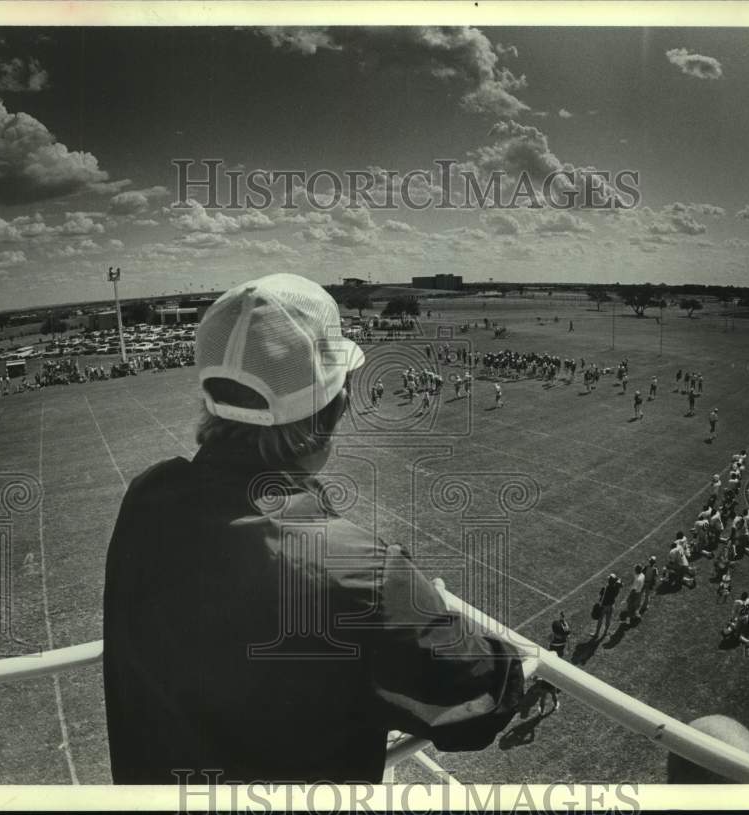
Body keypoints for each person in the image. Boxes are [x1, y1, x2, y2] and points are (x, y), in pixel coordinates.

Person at [103, 273, 527, 784]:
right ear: (337, 404)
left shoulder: (148, 495)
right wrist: (416, 608)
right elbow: (481, 701)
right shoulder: (362, 572)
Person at [593, 574, 623, 639]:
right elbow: (620, 583)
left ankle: (596, 634)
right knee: (608, 620)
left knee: (600, 620)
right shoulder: (616, 589)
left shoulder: (605, 588)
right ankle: (605, 632)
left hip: (604, 606)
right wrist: (617, 582)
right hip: (611, 606)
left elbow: (600, 595)